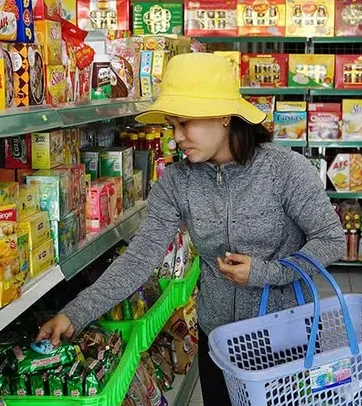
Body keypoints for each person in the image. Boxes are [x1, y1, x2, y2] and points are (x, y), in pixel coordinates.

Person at [37, 53, 345, 405]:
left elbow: (331, 240)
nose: (176, 138)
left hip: (285, 335)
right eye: (172, 125)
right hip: (219, 339)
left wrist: (264, 273)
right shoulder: (178, 181)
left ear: (225, 116)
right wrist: (74, 313)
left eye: (186, 123)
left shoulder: (285, 170)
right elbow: (140, 257)